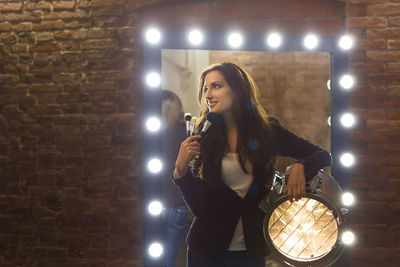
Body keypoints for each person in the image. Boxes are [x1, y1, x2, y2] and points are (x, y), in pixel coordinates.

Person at [172, 62, 332, 267]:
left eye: (216, 86)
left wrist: (300, 167)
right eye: (205, 88)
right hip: (205, 252)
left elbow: (322, 155)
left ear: (237, 90)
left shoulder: (267, 131)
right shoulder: (205, 135)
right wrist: (180, 171)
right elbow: (201, 208)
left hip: (251, 252)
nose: (208, 95)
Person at [161, 90, 189, 267]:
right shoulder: (186, 133)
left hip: (161, 202)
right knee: (168, 257)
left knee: (159, 257)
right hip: (179, 204)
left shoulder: (155, 135)